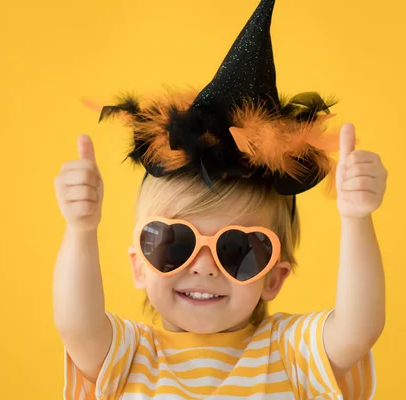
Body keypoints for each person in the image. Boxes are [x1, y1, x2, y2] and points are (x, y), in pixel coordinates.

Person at [53, 0, 387, 398]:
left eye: (238, 250)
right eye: (175, 243)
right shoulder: (130, 356)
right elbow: (76, 326)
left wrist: (356, 219)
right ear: (139, 266)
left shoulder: (290, 351)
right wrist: (80, 229)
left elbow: (360, 326)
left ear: (273, 278)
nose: (205, 267)